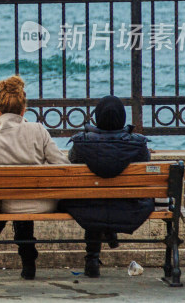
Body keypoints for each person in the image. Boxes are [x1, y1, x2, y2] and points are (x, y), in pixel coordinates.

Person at [0, 75, 69, 280]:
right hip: (43, 204)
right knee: (25, 198)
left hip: (7, 206)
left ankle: (15, 241)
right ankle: (27, 257)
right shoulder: (38, 130)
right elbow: (62, 167)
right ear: (24, 110)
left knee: (13, 201)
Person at [60, 95, 154, 278]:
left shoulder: (82, 144)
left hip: (88, 207)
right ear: (123, 118)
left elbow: (71, 162)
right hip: (128, 208)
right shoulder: (138, 144)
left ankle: (92, 258)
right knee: (105, 199)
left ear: (98, 117)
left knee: (95, 199)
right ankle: (109, 234)